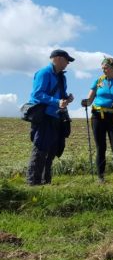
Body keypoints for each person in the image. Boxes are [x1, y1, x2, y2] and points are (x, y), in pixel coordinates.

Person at [26, 49, 75, 186]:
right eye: (67, 60)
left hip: (56, 116)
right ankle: (33, 183)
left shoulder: (61, 77)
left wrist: (67, 98)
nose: (68, 64)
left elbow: (60, 95)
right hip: (44, 116)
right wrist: (56, 101)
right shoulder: (44, 73)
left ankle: (45, 181)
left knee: (52, 150)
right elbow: (37, 94)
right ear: (58, 59)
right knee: (40, 149)